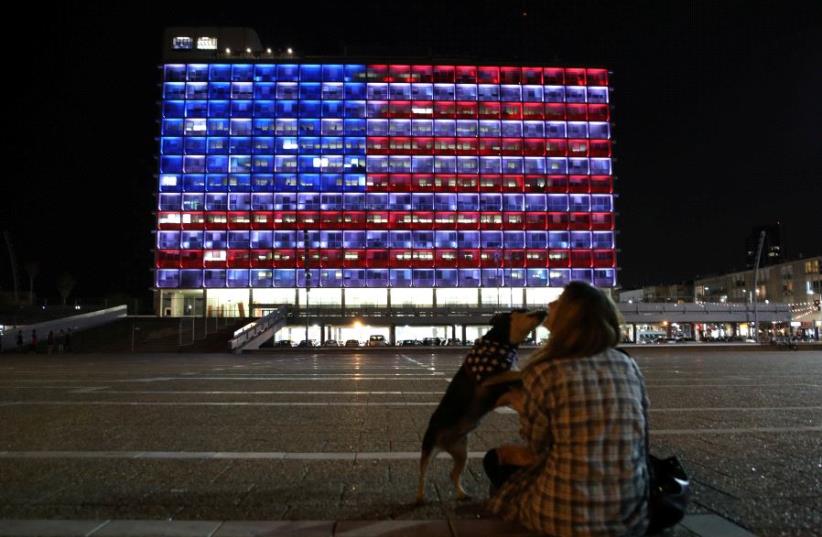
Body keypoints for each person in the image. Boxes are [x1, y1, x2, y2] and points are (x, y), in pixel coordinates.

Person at [485, 281, 649, 537]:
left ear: (571, 317)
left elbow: (537, 447)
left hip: (564, 516)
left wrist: (520, 404)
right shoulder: (628, 365)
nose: (550, 305)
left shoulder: (546, 370)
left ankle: (513, 522)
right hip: (630, 511)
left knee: (496, 459)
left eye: (559, 301)